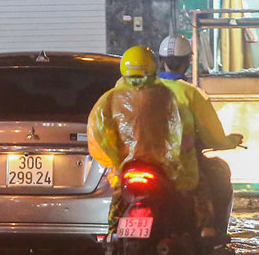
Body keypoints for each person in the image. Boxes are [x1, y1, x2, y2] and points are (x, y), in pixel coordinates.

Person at [88, 46, 243, 237]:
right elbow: (186, 132)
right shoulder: (173, 96)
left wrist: (115, 163)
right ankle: (206, 230)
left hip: (129, 167)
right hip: (163, 167)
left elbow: (98, 135)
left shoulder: (111, 98)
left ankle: (112, 235)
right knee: (198, 191)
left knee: (119, 197)